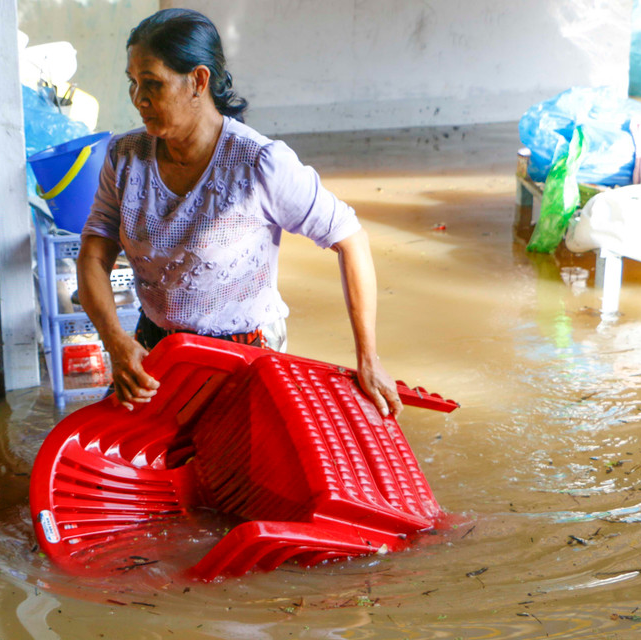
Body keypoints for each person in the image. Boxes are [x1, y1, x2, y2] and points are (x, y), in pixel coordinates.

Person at [77, 8, 403, 417]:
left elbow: (351, 239)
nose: (138, 99)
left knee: (234, 470)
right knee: (135, 460)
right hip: (155, 345)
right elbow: (92, 255)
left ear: (198, 80)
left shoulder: (259, 163)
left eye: (152, 84)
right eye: (133, 83)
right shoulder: (125, 157)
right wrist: (116, 341)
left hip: (243, 351)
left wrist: (368, 358)